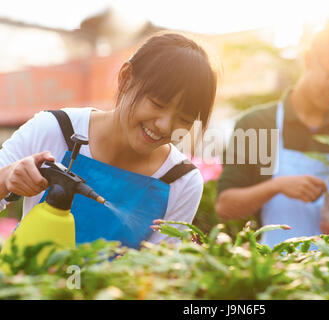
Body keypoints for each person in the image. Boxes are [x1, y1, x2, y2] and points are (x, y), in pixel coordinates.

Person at [0, 32, 217, 248]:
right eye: (157, 104)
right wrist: (7, 177)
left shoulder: (180, 180)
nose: (165, 125)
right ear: (125, 79)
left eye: (184, 119)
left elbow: (157, 271)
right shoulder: (54, 129)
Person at [215, 17, 329, 248]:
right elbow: (225, 206)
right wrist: (277, 186)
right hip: (276, 270)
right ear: (309, 59)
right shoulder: (258, 125)